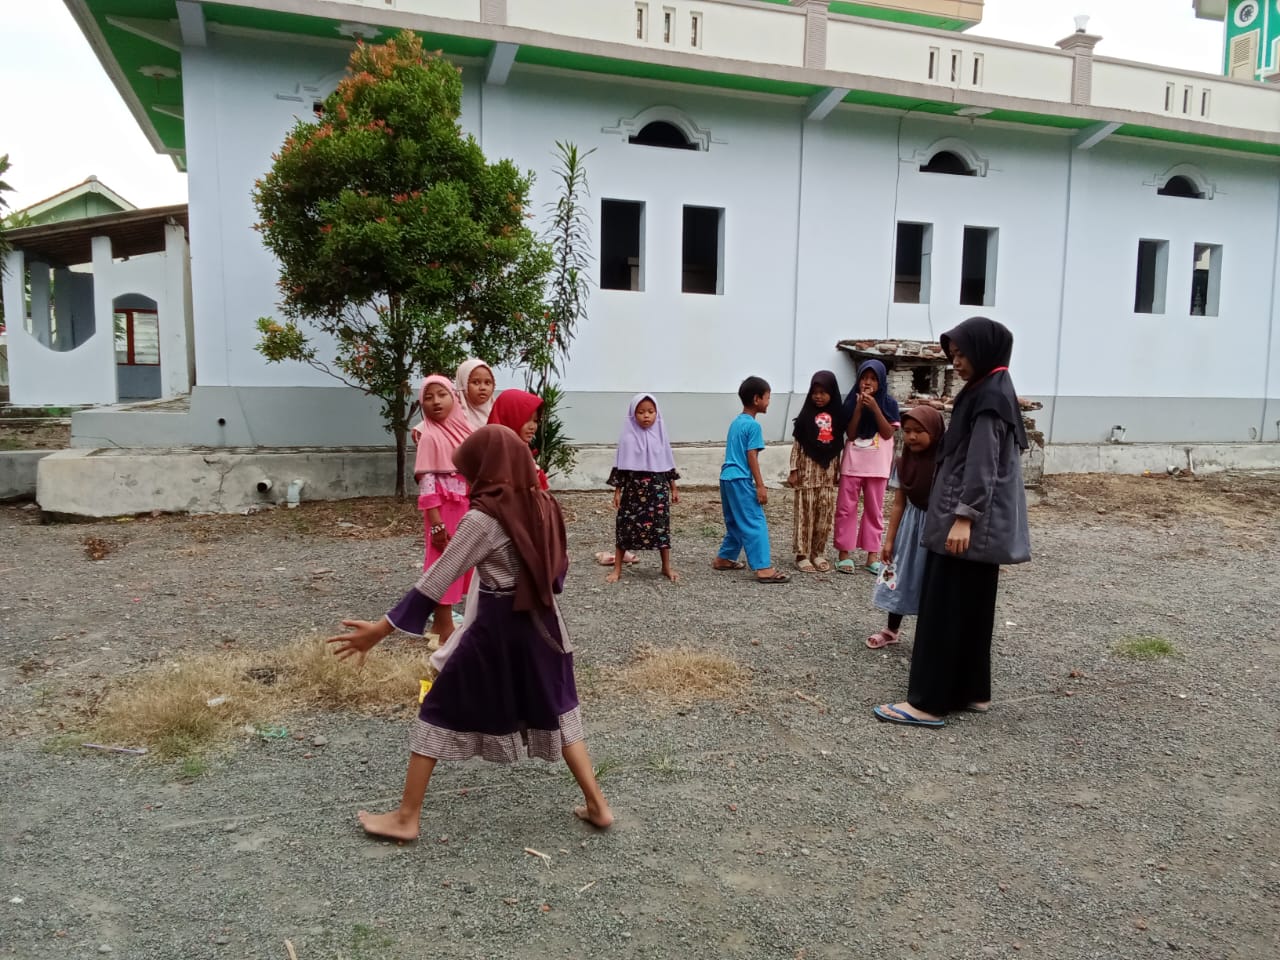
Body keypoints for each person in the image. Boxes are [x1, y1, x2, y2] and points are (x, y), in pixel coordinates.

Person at [327, 425, 613, 839]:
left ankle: (407, 817)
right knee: (560, 707)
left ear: (487, 469)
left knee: (437, 707)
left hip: (497, 632)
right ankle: (598, 805)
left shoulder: (484, 519)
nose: (465, 479)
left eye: (469, 471)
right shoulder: (544, 503)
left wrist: (378, 631)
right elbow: (558, 572)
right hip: (547, 627)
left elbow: (436, 580)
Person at [874, 317, 1031, 728]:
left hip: (963, 525)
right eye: (953, 355)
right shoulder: (993, 389)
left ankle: (927, 703)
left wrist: (964, 517)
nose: (956, 363)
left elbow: (982, 463)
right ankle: (971, 691)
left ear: (984, 350)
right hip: (980, 528)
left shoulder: (988, 398)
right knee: (973, 608)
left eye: (962, 354)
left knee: (942, 608)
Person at [865, 405, 945, 649]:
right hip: (910, 529)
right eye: (907, 431)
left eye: (919, 431)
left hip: (937, 528)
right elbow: (899, 504)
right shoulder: (902, 463)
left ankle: (932, 635)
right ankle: (891, 629)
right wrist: (889, 540)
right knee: (900, 576)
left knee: (931, 580)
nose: (911, 437)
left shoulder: (946, 464)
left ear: (934, 431)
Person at [410, 374, 473, 644]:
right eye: (428, 397)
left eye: (442, 394)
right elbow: (427, 483)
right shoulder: (429, 436)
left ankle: (449, 621)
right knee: (442, 563)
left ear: (454, 397)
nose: (436, 402)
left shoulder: (465, 430)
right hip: (443, 510)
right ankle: (442, 625)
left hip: (466, 507)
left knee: (463, 562)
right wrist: (436, 523)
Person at [711, 376, 789, 584]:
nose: (769, 401)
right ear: (757, 399)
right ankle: (764, 568)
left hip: (726, 477)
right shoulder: (753, 427)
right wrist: (760, 486)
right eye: (767, 397)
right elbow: (751, 456)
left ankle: (724, 558)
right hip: (740, 478)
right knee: (755, 521)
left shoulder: (736, 422)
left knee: (736, 522)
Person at [834, 359, 900, 576]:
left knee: (874, 510)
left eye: (873, 379)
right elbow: (851, 434)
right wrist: (860, 409)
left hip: (878, 466)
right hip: (853, 465)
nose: (867, 382)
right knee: (845, 508)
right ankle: (844, 554)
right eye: (864, 377)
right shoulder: (851, 403)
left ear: (881, 382)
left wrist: (875, 408)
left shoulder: (889, 404)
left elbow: (888, 432)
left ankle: (872, 555)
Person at [605, 394, 680, 583]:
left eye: (650, 412)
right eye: (640, 412)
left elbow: (668, 463)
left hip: (657, 491)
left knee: (661, 528)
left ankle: (666, 567)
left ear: (657, 413)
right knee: (624, 528)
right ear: (633, 414)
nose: (646, 416)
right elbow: (621, 466)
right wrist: (617, 491)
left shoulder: (661, 435)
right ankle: (617, 568)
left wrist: (674, 487)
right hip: (633, 492)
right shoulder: (628, 437)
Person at [786, 371, 846, 573]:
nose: (818, 396)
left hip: (827, 477)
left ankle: (818, 552)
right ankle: (802, 554)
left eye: (823, 392)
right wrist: (793, 469)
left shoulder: (838, 418)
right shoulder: (805, 417)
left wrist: (838, 471)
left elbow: (838, 447)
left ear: (832, 393)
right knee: (805, 514)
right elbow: (798, 445)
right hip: (807, 474)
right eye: (815, 392)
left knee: (824, 516)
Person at [487, 389, 550, 491]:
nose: (532, 427)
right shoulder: (500, 456)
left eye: (535, 421)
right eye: (526, 420)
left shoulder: (521, 450)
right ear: (509, 417)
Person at [454, 358, 496, 430]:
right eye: (475, 382)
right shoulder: (453, 418)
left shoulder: (499, 415)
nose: (482, 388)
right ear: (463, 384)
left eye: (487, 382)